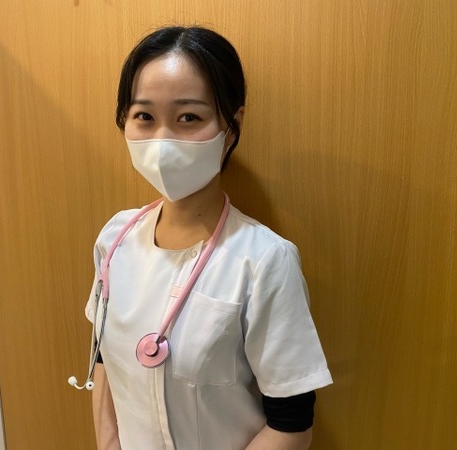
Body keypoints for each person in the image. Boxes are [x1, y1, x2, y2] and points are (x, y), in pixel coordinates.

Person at [85, 25, 332, 450]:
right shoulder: (114, 240)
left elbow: (292, 424)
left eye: (189, 117)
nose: (162, 140)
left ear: (231, 126)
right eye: (144, 116)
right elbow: (105, 355)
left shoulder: (264, 260)